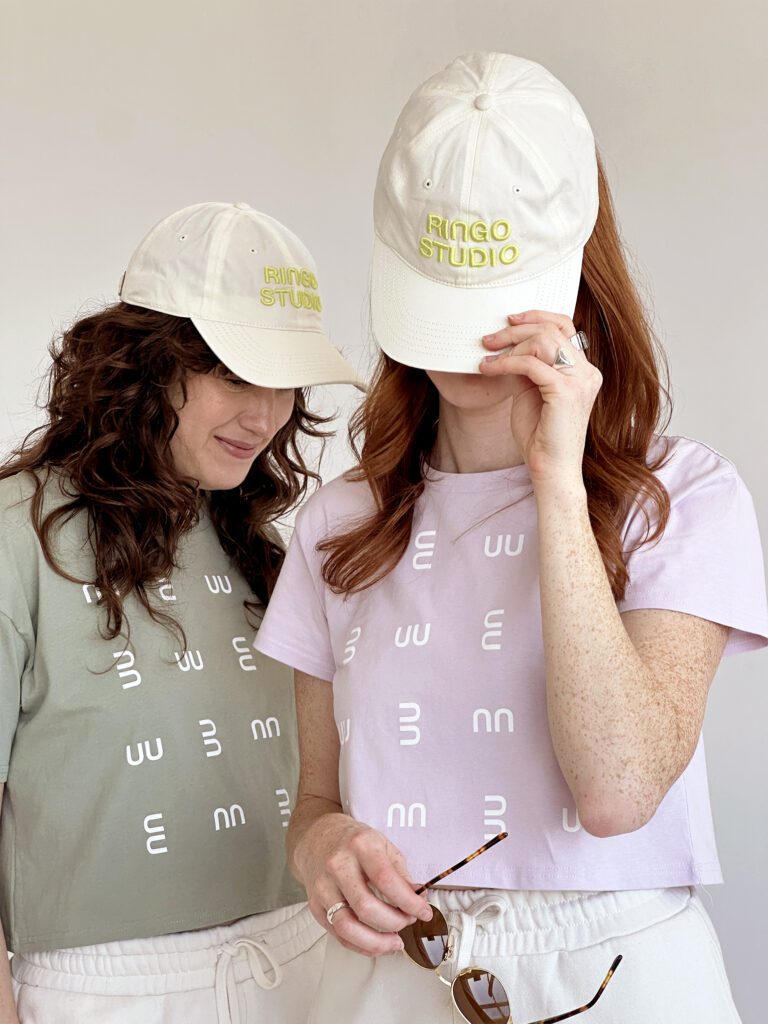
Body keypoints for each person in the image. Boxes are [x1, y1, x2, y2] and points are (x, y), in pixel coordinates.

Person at [253, 53, 768, 1023]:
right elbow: (315, 802)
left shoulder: (683, 499)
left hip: (619, 978)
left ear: (580, 276)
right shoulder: (338, 526)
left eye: (493, 305)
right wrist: (320, 846)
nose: (465, 348)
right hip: (395, 981)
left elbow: (616, 791)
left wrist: (556, 485)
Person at [0, 201, 363, 1024]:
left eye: (283, 382)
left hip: (303, 965)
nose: (264, 416)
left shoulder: (264, 547)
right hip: (107, 993)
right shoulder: (17, 538)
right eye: (234, 375)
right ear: (144, 364)